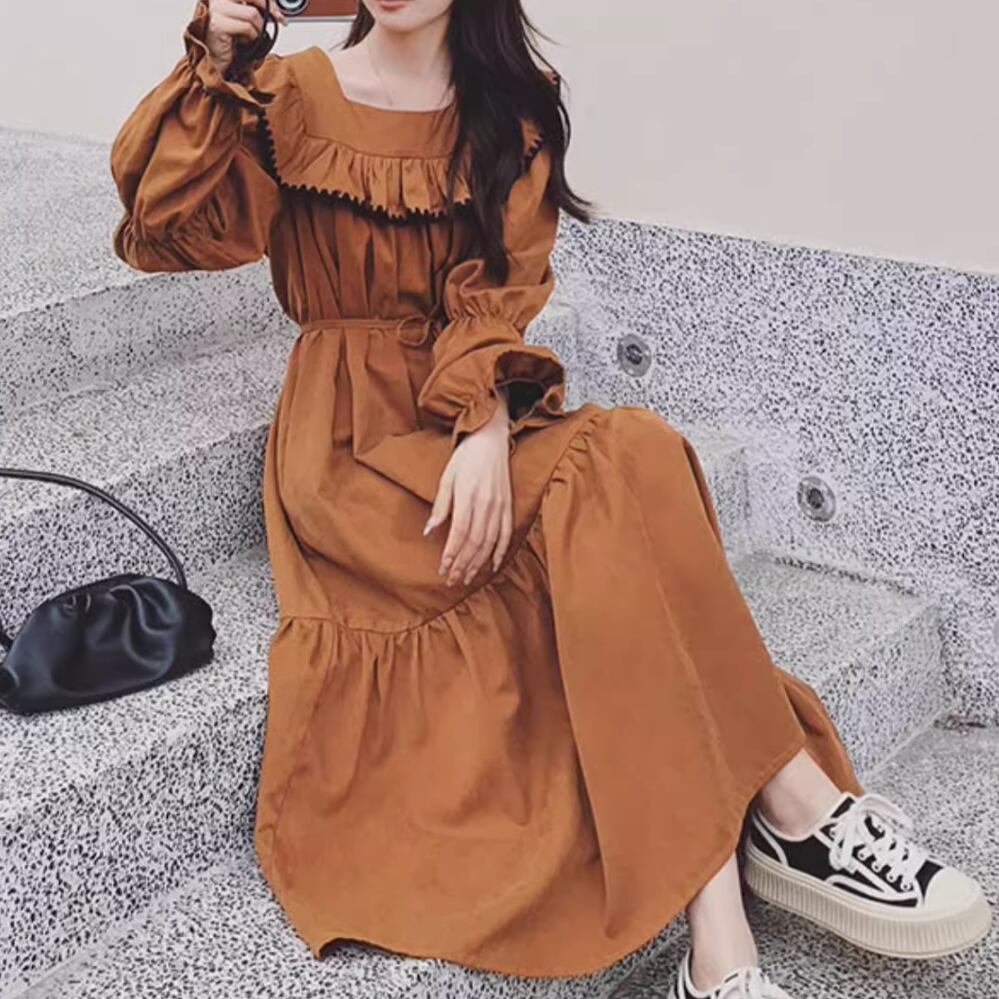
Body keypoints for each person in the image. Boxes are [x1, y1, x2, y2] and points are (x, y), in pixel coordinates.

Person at [108, 1, 992, 995]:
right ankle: (792, 816)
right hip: (350, 445)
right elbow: (161, 229)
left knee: (632, 453)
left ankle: (725, 934)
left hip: (465, 411)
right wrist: (219, 63)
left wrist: (485, 421)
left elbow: (499, 293)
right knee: (608, 491)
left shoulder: (514, 109)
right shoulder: (289, 95)